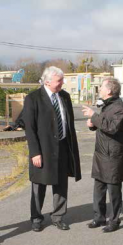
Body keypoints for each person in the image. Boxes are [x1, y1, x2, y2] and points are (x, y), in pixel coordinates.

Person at [23, 66, 81, 232]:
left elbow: (68, 123)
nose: (62, 83)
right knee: (39, 185)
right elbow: (30, 128)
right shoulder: (33, 98)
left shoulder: (64, 96)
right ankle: (36, 218)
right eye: (59, 81)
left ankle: (58, 216)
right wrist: (35, 152)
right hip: (42, 150)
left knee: (61, 185)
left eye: (62, 80)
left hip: (62, 147)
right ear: (47, 81)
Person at [82, 77, 123, 233]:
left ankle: (114, 220)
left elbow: (112, 128)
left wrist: (93, 116)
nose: (99, 89)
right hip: (101, 153)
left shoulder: (119, 107)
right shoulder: (108, 106)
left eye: (101, 87)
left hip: (113, 156)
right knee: (99, 188)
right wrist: (92, 124)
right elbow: (103, 125)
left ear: (109, 90)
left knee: (113, 190)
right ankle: (99, 217)